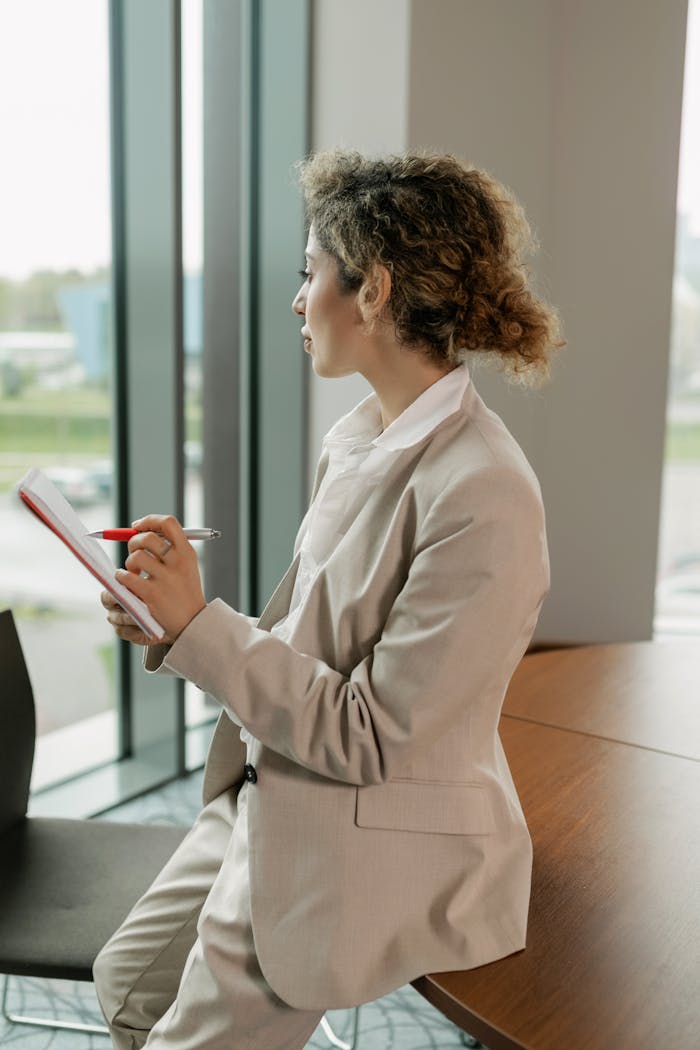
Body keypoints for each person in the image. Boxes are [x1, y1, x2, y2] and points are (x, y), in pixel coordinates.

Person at [94, 148, 564, 1050]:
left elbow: (372, 736)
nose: (299, 299)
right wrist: (176, 625)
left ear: (375, 289)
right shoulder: (362, 437)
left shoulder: (483, 492)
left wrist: (204, 626)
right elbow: (307, 648)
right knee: (124, 985)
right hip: (268, 786)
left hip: (359, 820)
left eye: (310, 272)